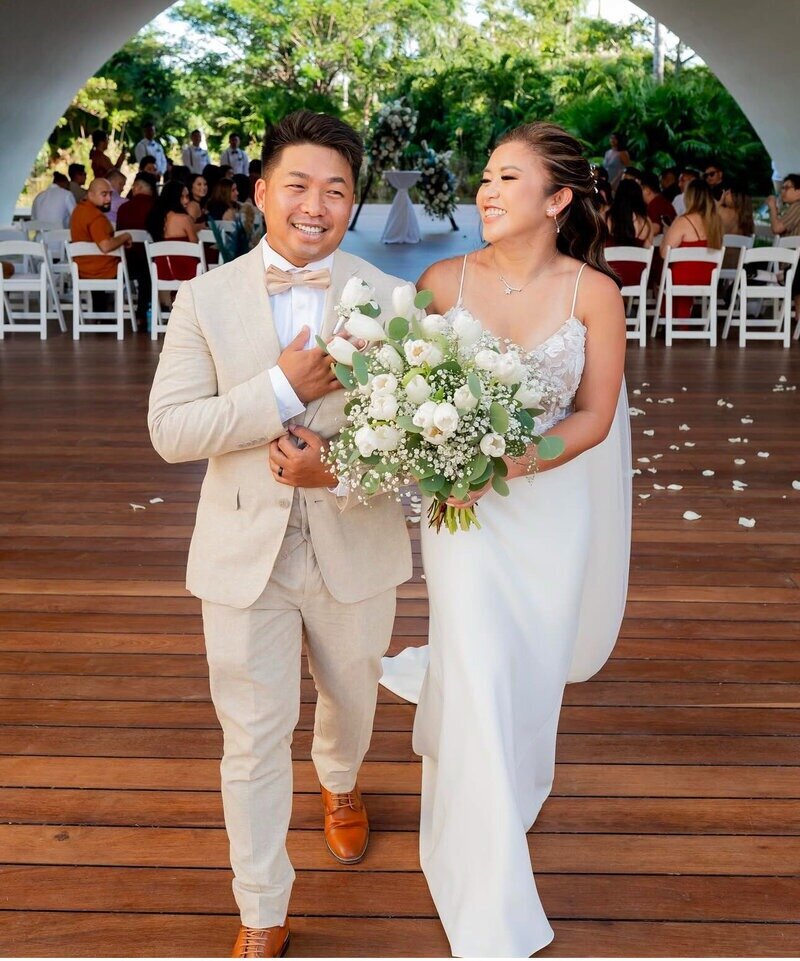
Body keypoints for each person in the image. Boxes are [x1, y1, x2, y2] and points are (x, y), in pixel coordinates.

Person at [147, 109, 412, 958]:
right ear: (261, 192)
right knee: (253, 736)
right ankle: (261, 905)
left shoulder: (389, 299)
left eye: (336, 190)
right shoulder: (205, 295)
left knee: (354, 698)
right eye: (297, 184)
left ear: (353, 204)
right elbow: (172, 430)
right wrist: (279, 390)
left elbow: (417, 445)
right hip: (240, 553)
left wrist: (331, 470)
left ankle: (340, 783)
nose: (316, 204)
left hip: (356, 542)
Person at [382, 121, 631, 958]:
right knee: (482, 660)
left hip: (550, 512)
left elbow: (595, 414)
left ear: (558, 200)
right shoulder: (441, 281)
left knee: (525, 670)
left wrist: (518, 458)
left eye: (508, 177)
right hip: (464, 516)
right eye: (484, 176)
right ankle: (487, 891)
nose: (485, 190)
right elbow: (399, 395)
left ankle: (513, 773)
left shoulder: (592, 292)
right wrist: (442, 459)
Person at [661, 178, 723, 319]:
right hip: (708, 277)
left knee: (667, 272)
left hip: (682, 278)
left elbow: (665, 253)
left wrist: (668, 231)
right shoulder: (716, 221)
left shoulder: (683, 221)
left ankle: (671, 319)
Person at [69, 178, 132, 310]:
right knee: (143, 269)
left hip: (82, 268)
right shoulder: (95, 217)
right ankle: (139, 313)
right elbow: (105, 246)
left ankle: (101, 311)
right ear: (90, 194)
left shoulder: (78, 211)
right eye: (104, 194)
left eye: (110, 194)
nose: (108, 199)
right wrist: (125, 236)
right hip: (103, 271)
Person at [117, 172, 157, 325]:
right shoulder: (155, 206)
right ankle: (148, 311)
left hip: (126, 260)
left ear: (138, 187)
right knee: (147, 270)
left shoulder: (124, 208)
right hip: (151, 261)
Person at [145, 180, 200, 283]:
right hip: (186, 269)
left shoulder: (155, 219)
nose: (186, 201)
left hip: (161, 269)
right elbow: (195, 244)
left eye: (187, 196)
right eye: (182, 197)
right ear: (173, 198)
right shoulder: (185, 219)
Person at [604, 178, 652, 287]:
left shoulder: (608, 217)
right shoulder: (645, 221)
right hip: (636, 276)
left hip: (611, 274)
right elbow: (649, 249)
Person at [766, 174, 800, 320]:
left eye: (786, 188)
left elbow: (777, 228)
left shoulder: (797, 207)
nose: (782, 191)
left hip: (794, 265)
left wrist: (773, 208)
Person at [640, 171, 676, 236]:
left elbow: (656, 229)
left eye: (640, 189)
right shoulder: (662, 201)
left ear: (647, 190)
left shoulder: (654, 205)